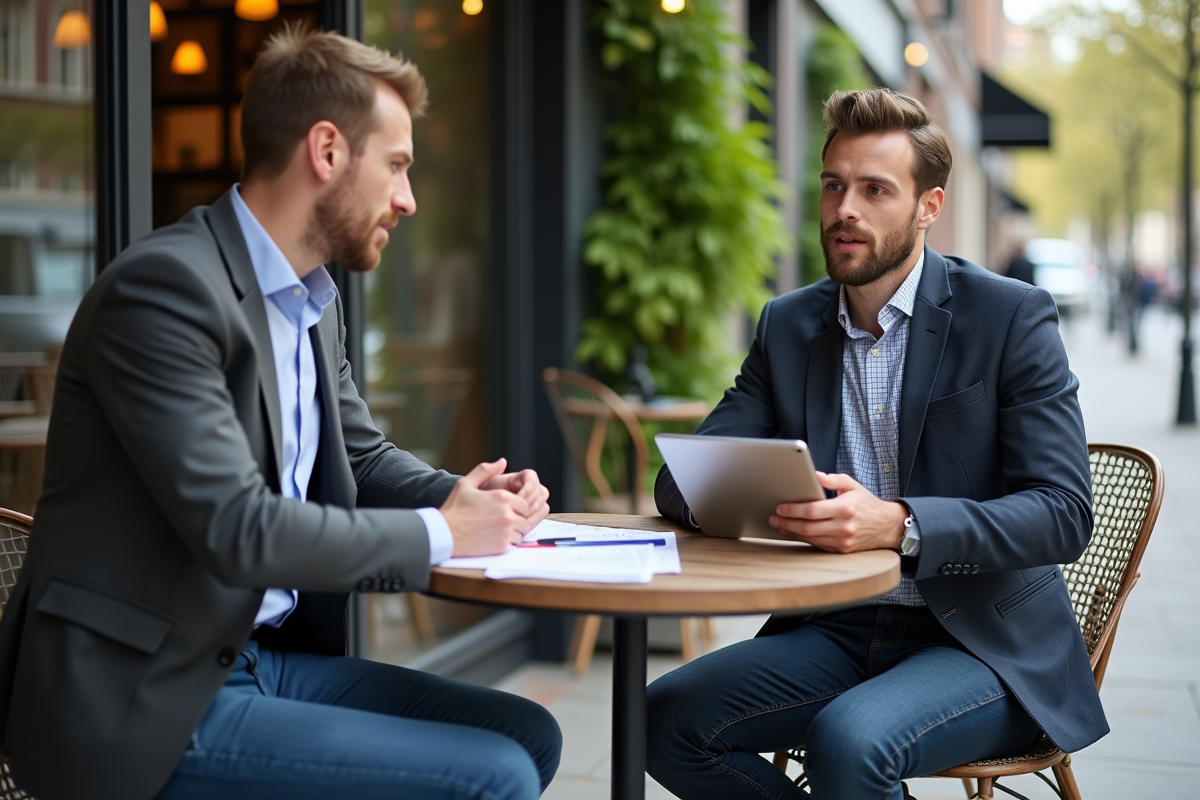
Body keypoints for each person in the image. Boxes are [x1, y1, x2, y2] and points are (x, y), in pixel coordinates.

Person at [0, 27, 561, 800]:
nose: (408, 199)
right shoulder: (164, 292)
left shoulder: (311, 302)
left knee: (526, 735)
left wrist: (461, 499)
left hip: (254, 661)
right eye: (396, 166)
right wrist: (442, 536)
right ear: (326, 151)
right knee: (491, 778)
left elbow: (359, 458)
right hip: (141, 698)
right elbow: (236, 527)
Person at [646, 88, 1104, 800]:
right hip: (837, 626)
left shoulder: (1008, 317)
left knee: (850, 741)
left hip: (981, 643)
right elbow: (682, 484)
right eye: (834, 186)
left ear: (929, 207)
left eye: (874, 190)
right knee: (663, 718)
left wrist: (899, 524)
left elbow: (1064, 512)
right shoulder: (789, 326)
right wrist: (789, 506)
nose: (845, 210)